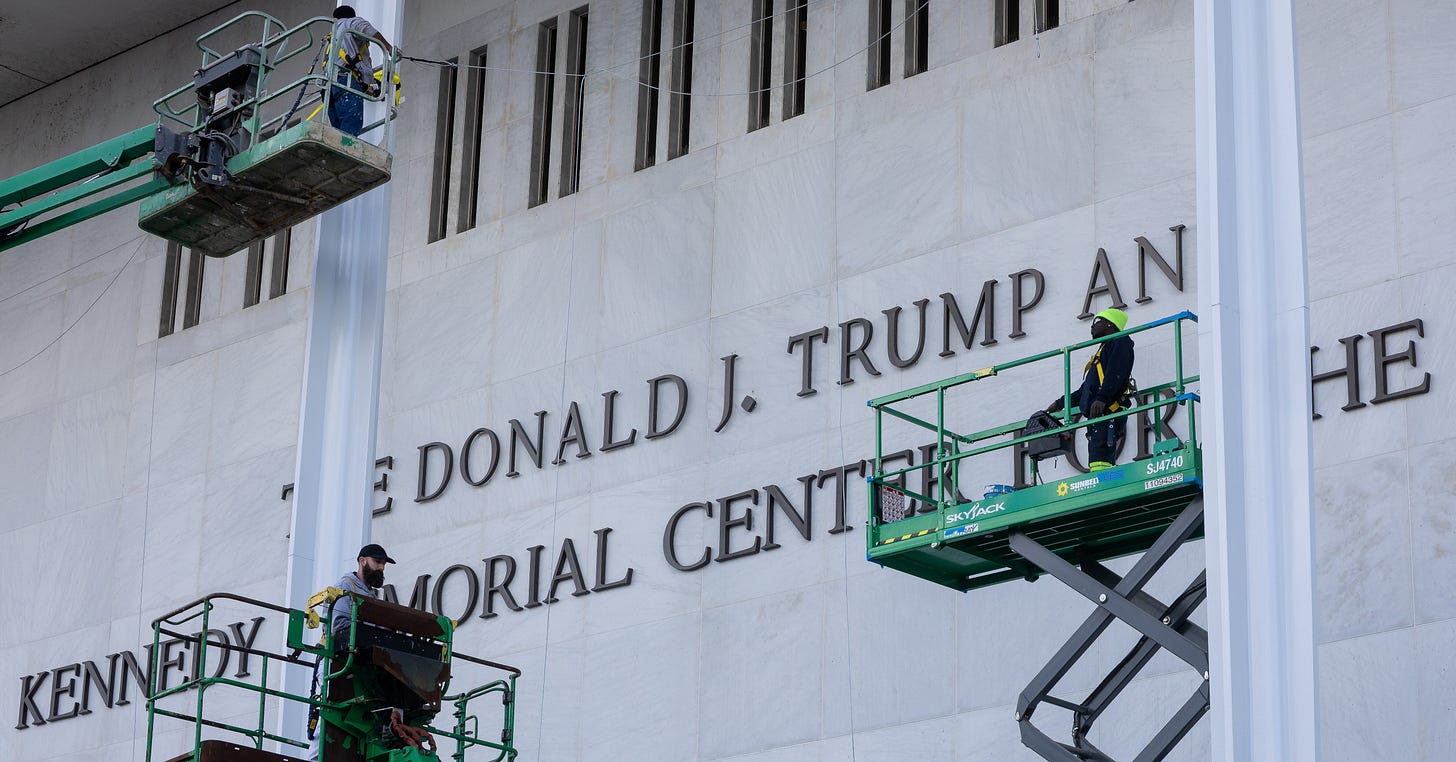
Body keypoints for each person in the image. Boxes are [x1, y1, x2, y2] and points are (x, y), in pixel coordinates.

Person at [308, 543, 395, 760]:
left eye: (383, 564)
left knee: (352, 718)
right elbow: (339, 627)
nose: (381, 568)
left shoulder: (371, 594)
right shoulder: (346, 586)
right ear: (362, 561)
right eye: (377, 562)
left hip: (355, 665)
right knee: (330, 713)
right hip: (335, 662)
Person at [1047, 308, 1134, 471]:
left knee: (1100, 461)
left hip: (1107, 413)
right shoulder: (1103, 350)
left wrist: (1102, 398)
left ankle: (1103, 483)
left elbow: (1116, 374)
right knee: (1097, 460)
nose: (1092, 326)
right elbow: (1086, 390)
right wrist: (1060, 403)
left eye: (1097, 321)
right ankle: (1101, 479)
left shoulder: (1120, 341)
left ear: (1110, 324)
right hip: (1100, 416)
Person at [328, 6, 393, 136]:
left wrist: (366, 86)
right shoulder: (351, 22)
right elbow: (368, 30)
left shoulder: (331, 36)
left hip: (329, 87)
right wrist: (389, 48)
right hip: (346, 81)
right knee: (351, 125)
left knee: (338, 132)